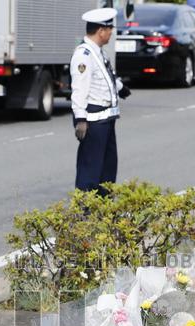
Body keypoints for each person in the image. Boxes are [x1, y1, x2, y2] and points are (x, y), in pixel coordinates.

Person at [71, 8, 131, 194]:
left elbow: (105, 77)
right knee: (91, 168)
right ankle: (86, 211)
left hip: (106, 119)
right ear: (101, 31)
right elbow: (80, 88)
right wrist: (81, 119)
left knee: (107, 168)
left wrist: (121, 88)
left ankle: (104, 210)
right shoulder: (84, 55)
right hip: (93, 121)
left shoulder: (98, 52)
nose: (111, 33)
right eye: (109, 30)